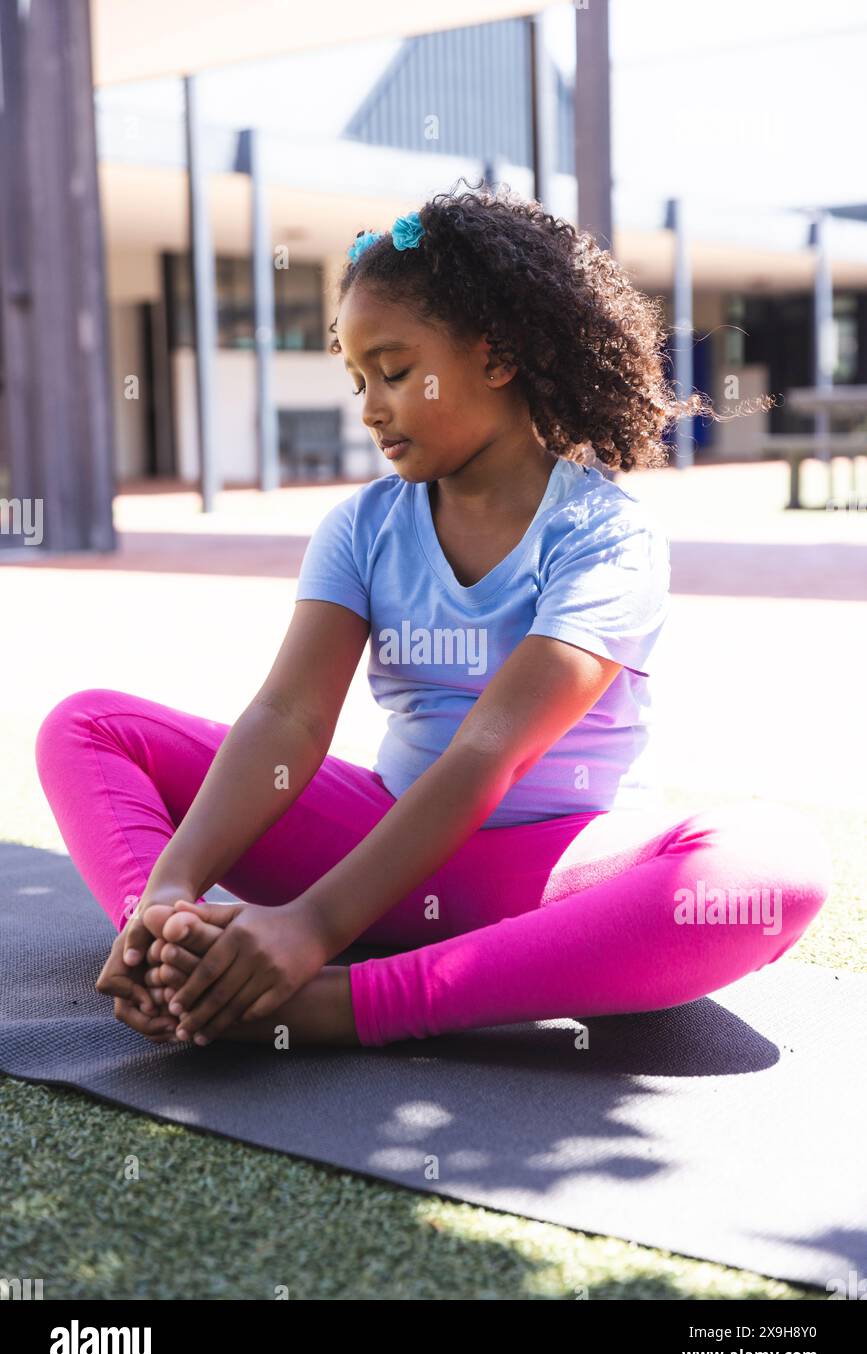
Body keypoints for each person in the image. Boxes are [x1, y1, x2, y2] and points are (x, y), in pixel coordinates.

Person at [35, 183, 830, 1051]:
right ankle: (171, 957)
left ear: (497, 358)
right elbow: (289, 718)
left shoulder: (607, 535)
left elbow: (491, 749)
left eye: (396, 370)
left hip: (548, 873)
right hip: (380, 836)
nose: (371, 406)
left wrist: (309, 930)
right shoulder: (362, 527)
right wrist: (167, 893)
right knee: (88, 727)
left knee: (767, 871)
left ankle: (337, 1003)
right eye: (356, 378)